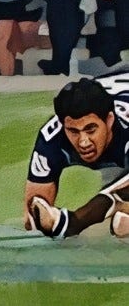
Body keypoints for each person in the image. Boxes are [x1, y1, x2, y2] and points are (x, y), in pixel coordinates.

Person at [26, 77, 129, 240]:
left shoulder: (125, 125)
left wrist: (77, 221)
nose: (83, 142)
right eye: (74, 131)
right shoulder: (51, 140)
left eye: (91, 129)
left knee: (122, 223)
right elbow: (36, 213)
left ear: (109, 120)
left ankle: (73, 223)